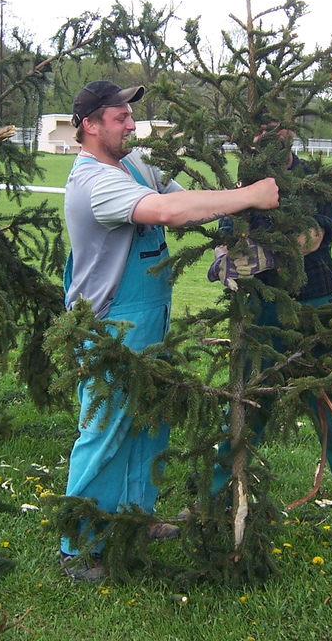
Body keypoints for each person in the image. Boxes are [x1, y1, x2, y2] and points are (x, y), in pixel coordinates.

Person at [60, 80, 280, 581]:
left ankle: (137, 518)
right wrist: (252, 195)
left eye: (129, 115)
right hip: (112, 322)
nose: (132, 124)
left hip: (151, 315)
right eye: (120, 117)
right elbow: (163, 211)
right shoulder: (94, 182)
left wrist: (232, 224)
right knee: (106, 429)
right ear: (89, 126)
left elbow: (185, 200)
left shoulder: (136, 165)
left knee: (150, 420)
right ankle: (79, 544)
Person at [208, 121, 332, 563]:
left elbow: (311, 236)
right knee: (241, 413)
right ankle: (212, 505)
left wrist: (255, 257)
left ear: (289, 130)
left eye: (275, 128)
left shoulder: (319, 180)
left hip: (314, 308)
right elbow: (224, 232)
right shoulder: (239, 185)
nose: (266, 137)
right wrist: (224, 254)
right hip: (256, 316)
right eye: (257, 129)